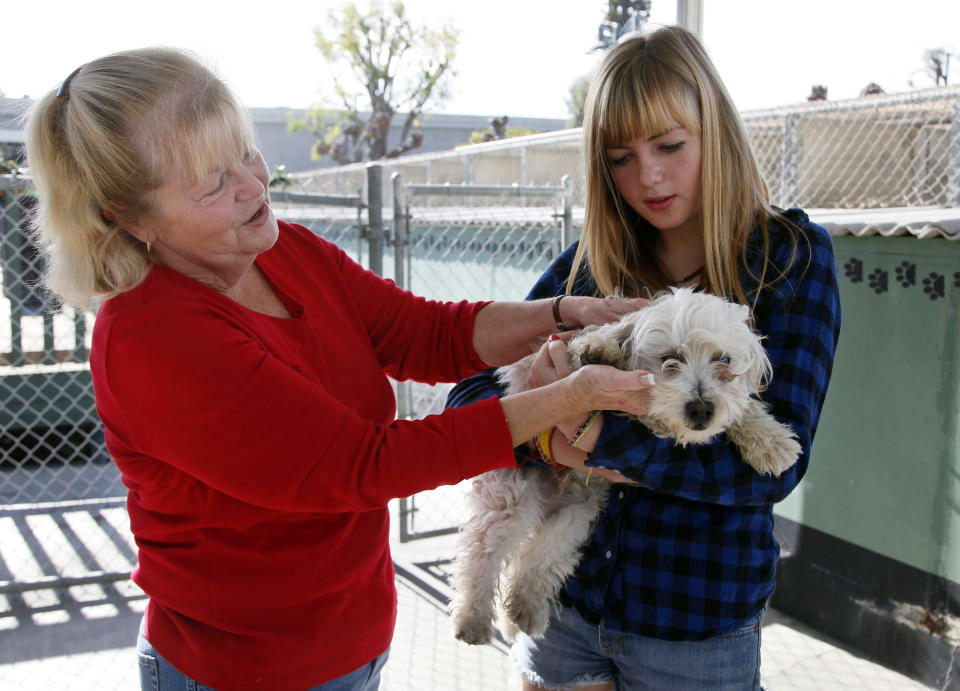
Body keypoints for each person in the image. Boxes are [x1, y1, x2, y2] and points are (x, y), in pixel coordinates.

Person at [24, 48, 656, 691]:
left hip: (349, 641)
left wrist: (562, 311)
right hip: (246, 670)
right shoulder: (153, 335)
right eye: (213, 183)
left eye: (246, 152)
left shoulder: (280, 248)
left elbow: (424, 332)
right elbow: (362, 465)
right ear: (127, 217)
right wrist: (569, 396)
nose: (254, 183)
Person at [447, 25, 841, 691]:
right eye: (620, 156)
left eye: (669, 145)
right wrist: (545, 423)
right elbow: (469, 402)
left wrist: (593, 439)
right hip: (563, 621)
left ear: (713, 131)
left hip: (692, 629)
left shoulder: (790, 259)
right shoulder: (587, 269)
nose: (646, 176)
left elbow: (767, 470)